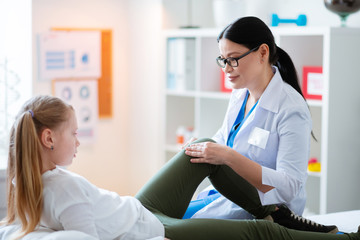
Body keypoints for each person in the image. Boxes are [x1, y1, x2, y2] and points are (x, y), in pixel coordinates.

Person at [1, 95, 360, 240]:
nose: (78, 141)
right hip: (157, 228)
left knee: (203, 150)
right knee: (256, 234)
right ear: (48, 139)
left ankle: (274, 212)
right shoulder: (66, 188)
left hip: (139, 207)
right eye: (74, 134)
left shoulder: (27, 184)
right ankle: (348, 238)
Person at [184, 15, 319, 223]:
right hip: (229, 196)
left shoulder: (291, 108)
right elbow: (225, 137)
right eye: (223, 60)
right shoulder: (240, 93)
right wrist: (205, 146)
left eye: (234, 59)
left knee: (170, 227)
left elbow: (290, 185)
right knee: (162, 216)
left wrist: (229, 157)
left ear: (263, 52)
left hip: (265, 210)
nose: (227, 69)